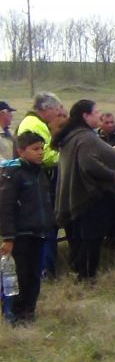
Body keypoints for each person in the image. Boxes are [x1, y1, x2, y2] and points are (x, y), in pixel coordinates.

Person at [52, 100, 115, 282]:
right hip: (89, 198)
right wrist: (113, 175)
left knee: (81, 238)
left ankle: (80, 272)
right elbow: (89, 164)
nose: (99, 115)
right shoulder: (85, 138)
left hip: (81, 196)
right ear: (85, 116)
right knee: (90, 239)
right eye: (96, 112)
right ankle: (86, 276)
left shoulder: (76, 136)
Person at [0, 131, 56, 325]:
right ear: (21, 151)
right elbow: (5, 207)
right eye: (35, 149)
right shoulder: (13, 173)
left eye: (42, 148)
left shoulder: (40, 172)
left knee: (34, 275)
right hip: (21, 234)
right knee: (19, 276)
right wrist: (8, 237)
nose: (40, 153)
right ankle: (13, 314)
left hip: (39, 232)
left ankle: (29, 311)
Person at [17, 92, 64, 278]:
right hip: (38, 180)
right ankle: (46, 270)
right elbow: (47, 155)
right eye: (56, 109)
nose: (57, 113)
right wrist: (67, 158)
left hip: (37, 179)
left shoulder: (32, 122)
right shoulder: (35, 124)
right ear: (46, 109)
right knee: (46, 227)